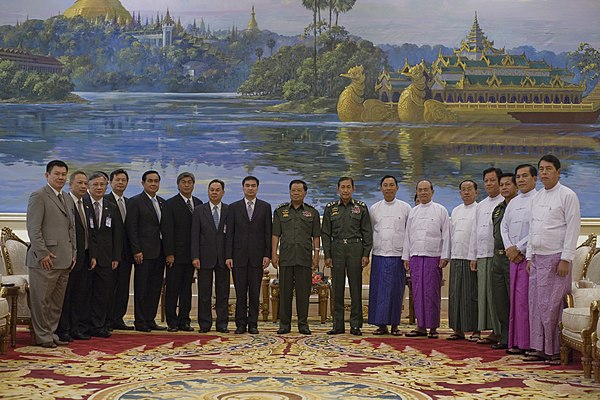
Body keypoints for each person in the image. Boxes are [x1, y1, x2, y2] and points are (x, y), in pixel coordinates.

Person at [525, 154, 580, 365]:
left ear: (558, 172)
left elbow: (573, 228)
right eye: (541, 169)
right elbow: (533, 229)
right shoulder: (537, 197)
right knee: (537, 304)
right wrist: (530, 256)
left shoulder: (568, 195)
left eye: (549, 169)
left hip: (557, 259)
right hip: (538, 258)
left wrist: (566, 258)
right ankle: (540, 348)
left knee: (553, 306)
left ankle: (556, 351)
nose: (544, 172)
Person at [26, 160, 77, 348]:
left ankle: (51, 333)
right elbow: (34, 228)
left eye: (64, 174)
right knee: (42, 301)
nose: (61, 177)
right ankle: (42, 337)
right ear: (47, 175)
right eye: (57, 174)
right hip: (45, 260)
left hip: (64, 259)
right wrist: (43, 253)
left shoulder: (66, 197)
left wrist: (74, 252)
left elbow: (71, 229)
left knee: (56, 303)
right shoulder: (38, 196)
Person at [322, 177, 373, 336]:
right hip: (336, 248)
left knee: (355, 287)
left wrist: (366, 253)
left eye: (348, 187)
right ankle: (337, 325)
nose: (345, 190)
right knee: (337, 288)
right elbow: (325, 233)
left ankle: (356, 325)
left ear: (353, 189)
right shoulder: (331, 208)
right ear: (338, 189)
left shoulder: (361, 208)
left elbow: (367, 233)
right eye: (342, 187)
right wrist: (328, 255)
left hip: (355, 249)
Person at [272, 180, 321, 335]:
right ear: (290, 192)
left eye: (299, 190)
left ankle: (303, 324)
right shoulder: (280, 211)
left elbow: (316, 236)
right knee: (285, 292)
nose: (296, 193)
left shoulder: (312, 212)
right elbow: (275, 235)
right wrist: (274, 253)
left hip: (304, 257)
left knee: (303, 292)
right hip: (286, 257)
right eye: (293, 190)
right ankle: (284, 324)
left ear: (305, 193)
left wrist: (316, 255)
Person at [403, 180, 450, 339]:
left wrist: (445, 256)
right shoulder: (413, 212)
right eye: (420, 190)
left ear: (432, 191)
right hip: (415, 256)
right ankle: (420, 326)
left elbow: (446, 236)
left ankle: (433, 327)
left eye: (426, 190)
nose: (423, 193)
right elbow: (407, 236)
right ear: (417, 192)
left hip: (433, 257)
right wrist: (406, 257)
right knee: (418, 292)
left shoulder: (441, 210)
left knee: (431, 292)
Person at [225, 176, 272, 335]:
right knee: (240, 292)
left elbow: (268, 233)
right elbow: (229, 234)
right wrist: (228, 255)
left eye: (253, 186)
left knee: (254, 292)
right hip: (238, 257)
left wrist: (268, 255)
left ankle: (253, 323)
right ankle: (240, 324)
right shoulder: (233, 207)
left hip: (258, 257)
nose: (250, 188)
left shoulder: (265, 207)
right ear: (243, 188)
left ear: (257, 188)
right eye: (247, 186)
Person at [367, 175, 411, 336]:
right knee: (379, 291)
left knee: (395, 291)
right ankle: (380, 325)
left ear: (397, 188)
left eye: (391, 185)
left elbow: (409, 234)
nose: (388, 188)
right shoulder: (374, 208)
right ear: (380, 188)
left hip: (397, 256)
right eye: (385, 185)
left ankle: (394, 325)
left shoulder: (406, 208)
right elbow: (370, 232)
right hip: (379, 255)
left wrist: (407, 256)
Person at [501, 164, 537, 355]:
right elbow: (504, 227)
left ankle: (527, 343)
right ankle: (515, 341)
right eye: (518, 176)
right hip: (513, 257)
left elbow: (536, 229)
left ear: (534, 179)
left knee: (526, 301)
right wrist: (509, 248)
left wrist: (519, 248)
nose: (521, 180)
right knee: (514, 300)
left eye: (525, 176)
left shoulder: (538, 199)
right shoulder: (513, 202)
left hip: (527, 257)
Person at [126, 170, 167, 332]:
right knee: (142, 288)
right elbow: (132, 228)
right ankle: (141, 321)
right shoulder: (135, 202)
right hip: (143, 253)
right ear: (143, 183)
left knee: (155, 288)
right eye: (150, 181)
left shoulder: (162, 202)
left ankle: (151, 319)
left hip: (159, 252)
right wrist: (136, 250)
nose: (153, 184)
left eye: (156, 181)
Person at [162, 172, 203, 332]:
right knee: (173, 288)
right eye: (183, 182)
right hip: (175, 255)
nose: (186, 185)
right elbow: (167, 230)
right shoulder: (170, 204)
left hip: (192, 255)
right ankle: (172, 321)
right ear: (178, 185)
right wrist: (169, 253)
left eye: (189, 182)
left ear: (193, 185)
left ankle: (184, 320)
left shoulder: (199, 203)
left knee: (186, 289)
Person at [468, 167, 503, 344]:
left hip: (497, 255)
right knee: (484, 295)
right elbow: (475, 232)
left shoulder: (505, 202)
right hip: (482, 255)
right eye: (486, 181)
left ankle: (499, 330)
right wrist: (473, 256)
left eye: (492, 180)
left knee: (496, 295)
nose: (489, 184)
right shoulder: (480, 205)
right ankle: (488, 329)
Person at [56, 170, 92, 342]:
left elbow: (89, 232)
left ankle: (75, 328)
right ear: (71, 185)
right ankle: (63, 329)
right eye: (80, 183)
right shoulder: (65, 202)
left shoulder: (86, 203)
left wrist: (91, 254)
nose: (84, 186)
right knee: (67, 295)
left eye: (86, 183)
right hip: (70, 256)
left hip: (84, 256)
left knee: (80, 294)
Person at [87, 171, 123, 338]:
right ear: (89, 186)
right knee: (85, 292)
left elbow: (117, 235)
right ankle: (83, 325)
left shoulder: (111, 207)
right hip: (87, 257)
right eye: (95, 184)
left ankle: (99, 325)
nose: (99, 188)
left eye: (102, 185)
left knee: (103, 294)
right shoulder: (83, 204)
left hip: (107, 258)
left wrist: (116, 257)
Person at [191, 179, 230, 333]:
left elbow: (231, 236)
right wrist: (195, 256)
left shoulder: (228, 210)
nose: (214, 192)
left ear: (223, 192)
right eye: (212, 190)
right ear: (208, 192)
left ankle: (222, 324)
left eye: (217, 190)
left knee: (223, 293)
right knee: (204, 294)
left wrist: (230, 256)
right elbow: (194, 235)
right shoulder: (199, 210)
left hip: (223, 259)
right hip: (204, 258)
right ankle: (205, 324)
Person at [447, 179, 479, 341]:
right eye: (463, 190)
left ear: (476, 192)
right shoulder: (456, 210)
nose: (466, 192)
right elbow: (450, 236)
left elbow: (478, 235)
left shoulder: (479, 209)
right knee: (455, 294)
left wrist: (475, 256)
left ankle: (475, 330)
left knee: (471, 294)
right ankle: (457, 329)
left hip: (470, 258)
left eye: (469, 189)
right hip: (456, 257)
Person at [490, 173, 518, 350]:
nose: (504, 187)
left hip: (513, 258)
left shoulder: (519, 206)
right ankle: (505, 336)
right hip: (497, 258)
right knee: (500, 301)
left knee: (514, 300)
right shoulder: (498, 208)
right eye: (502, 185)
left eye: (508, 184)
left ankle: (517, 338)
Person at [105, 169, 134, 331]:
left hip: (127, 253)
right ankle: (107, 319)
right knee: (109, 288)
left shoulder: (130, 203)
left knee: (123, 287)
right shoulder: (105, 200)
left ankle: (118, 318)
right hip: (109, 254)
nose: (121, 183)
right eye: (118, 180)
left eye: (124, 180)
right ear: (111, 182)